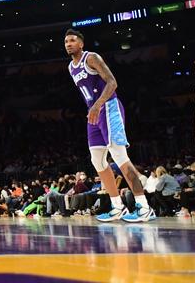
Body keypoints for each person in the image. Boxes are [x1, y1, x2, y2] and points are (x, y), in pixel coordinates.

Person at [64, 28, 154, 222]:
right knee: (97, 161)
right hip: (94, 113)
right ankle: (117, 206)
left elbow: (112, 82)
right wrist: (93, 108)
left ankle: (144, 207)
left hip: (109, 108)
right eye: (66, 42)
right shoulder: (71, 67)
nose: (68, 44)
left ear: (81, 43)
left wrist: (97, 105)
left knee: (120, 156)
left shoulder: (91, 58)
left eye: (72, 40)